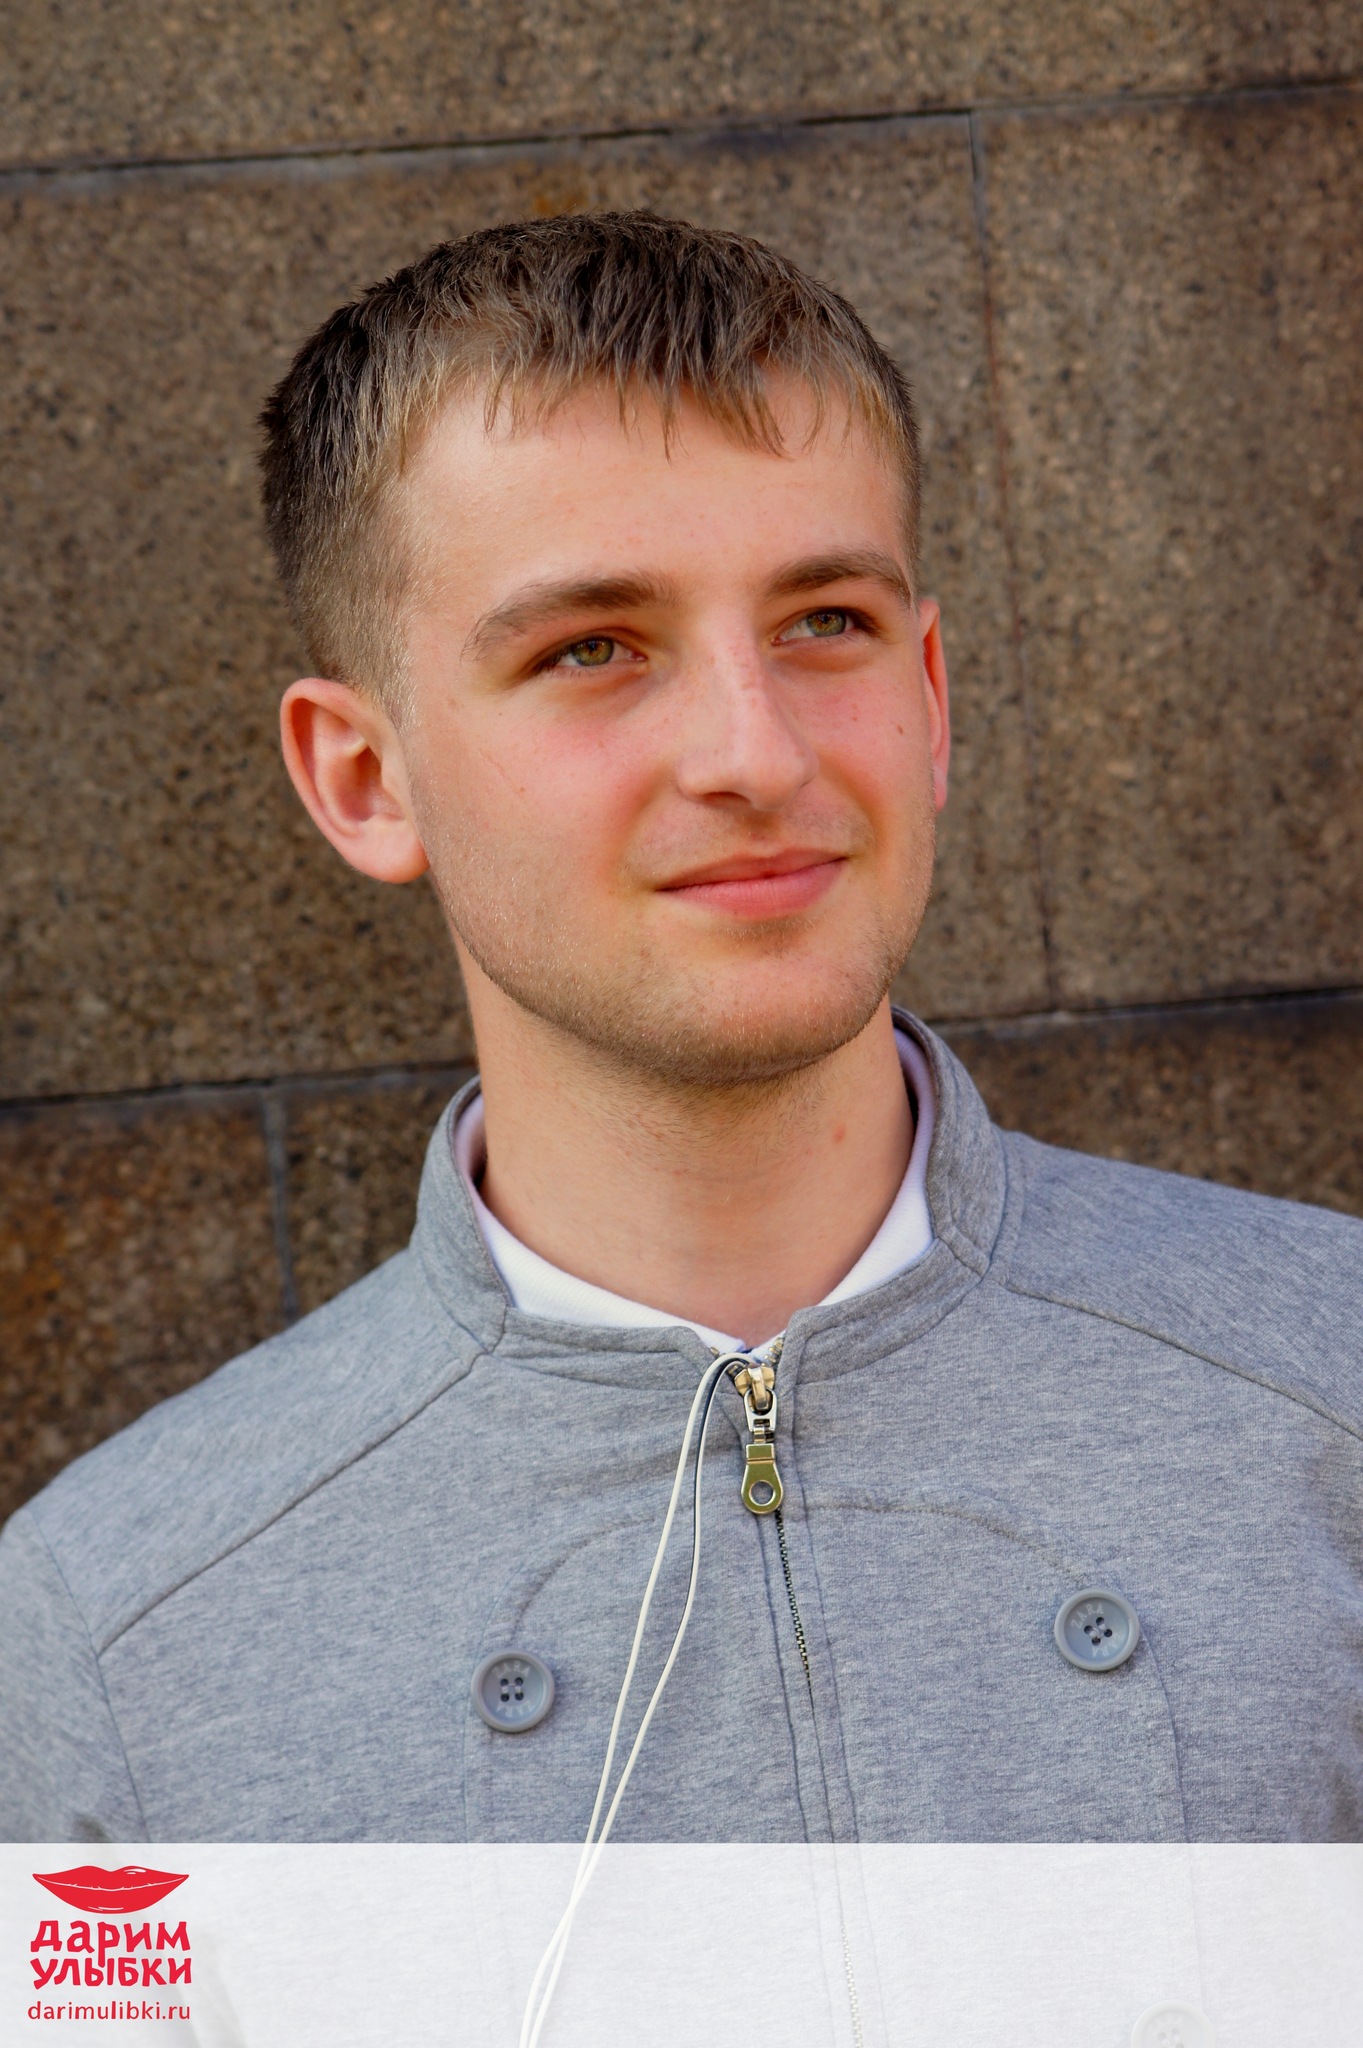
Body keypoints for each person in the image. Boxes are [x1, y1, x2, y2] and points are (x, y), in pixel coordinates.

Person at [1, 212, 1361, 1853]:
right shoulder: (116, 1637)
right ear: (366, 779)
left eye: (825, 622)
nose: (756, 754)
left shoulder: (1334, 1393)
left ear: (931, 697)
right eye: (593, 649)